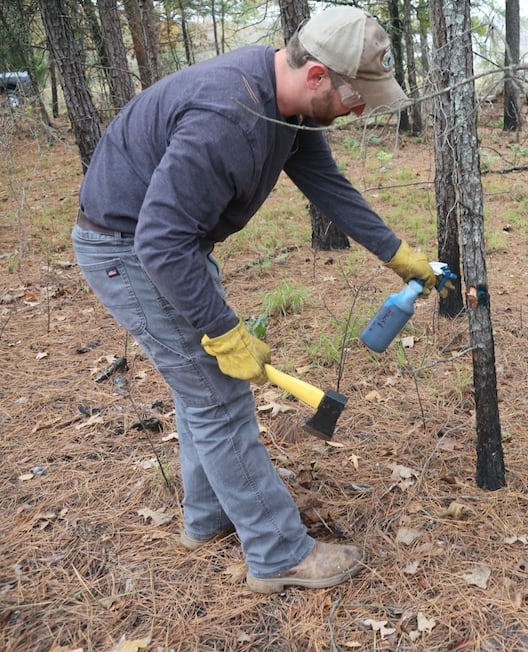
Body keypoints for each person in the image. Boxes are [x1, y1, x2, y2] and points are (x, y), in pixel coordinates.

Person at [72, 7, 440, 594]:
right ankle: (277, 552)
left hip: (168, 244)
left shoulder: (285, 105)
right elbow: (159, 242)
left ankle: (208, 515)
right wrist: (224, 329)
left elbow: (329, 187)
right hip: (132, 250)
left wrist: (396, 253)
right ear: (317, 75)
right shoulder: (229, 116)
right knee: (218, 395)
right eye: (356, 95)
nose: (361, 109)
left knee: (201, 390)